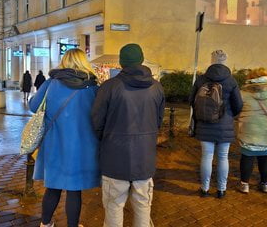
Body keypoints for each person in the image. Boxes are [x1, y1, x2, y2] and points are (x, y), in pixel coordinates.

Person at [91, 43, 165, 227]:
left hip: (114, 157)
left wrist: (107, 138)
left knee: (114, 207)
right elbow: (158, 120)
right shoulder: (156, 88)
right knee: (142, 207)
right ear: (141, 60)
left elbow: (96, 121)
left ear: (122, 63)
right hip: (144, 157)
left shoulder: (109, 87)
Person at [29, 49, 100, 227]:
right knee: (74, 190)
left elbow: (33, 106)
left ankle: (45, 224)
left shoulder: (51, 84)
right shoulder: (93, 88)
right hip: (82, 147)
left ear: (64, 61)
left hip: (55, 145)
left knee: (52, 188)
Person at [189, 50, 243, 198]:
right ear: (225, 61)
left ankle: (205, 188)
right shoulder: (231, 80)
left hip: (204, 123)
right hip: (225, 124)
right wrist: (230, 114)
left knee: (206, 156)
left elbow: (191, 100)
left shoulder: (201, 79)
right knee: (223, 157)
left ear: (212, 60)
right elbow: (238, 104)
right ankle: (221, 190)